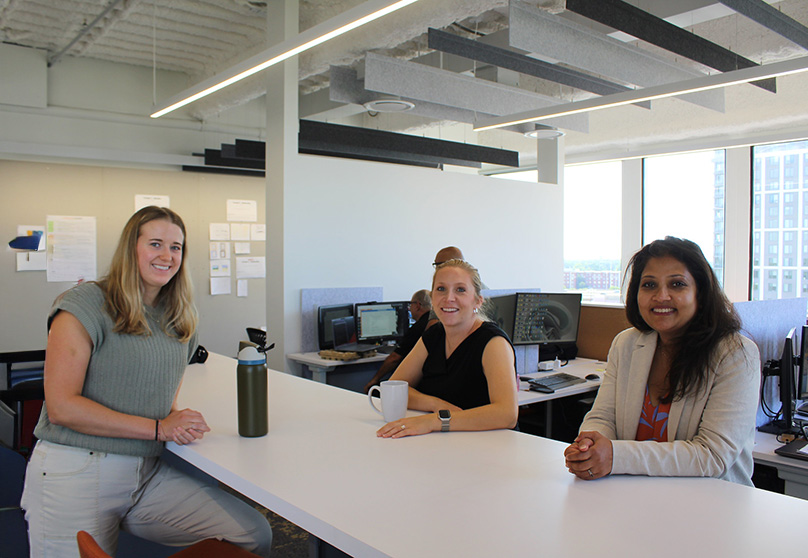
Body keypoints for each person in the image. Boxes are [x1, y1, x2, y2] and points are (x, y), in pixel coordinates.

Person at [21, 207, 273, 557]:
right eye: (155, 244)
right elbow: (62, 408)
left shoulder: (180, 317)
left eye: (176, 247)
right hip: (76, 469)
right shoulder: (85, 304)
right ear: (131, 248)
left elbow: (158, 394)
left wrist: (174, 419)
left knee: (251, 534)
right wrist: (159, 428)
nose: (167, 256)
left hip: (145, 473)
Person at [563, 237, 760, 485]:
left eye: (677, 284)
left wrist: (615, 456)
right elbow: (603, 417)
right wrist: (590, 445)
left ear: (700, 293)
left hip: (711, 500)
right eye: (649, 285)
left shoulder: (736, 354)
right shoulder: (627, 344)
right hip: (634, 494)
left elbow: (712, 455)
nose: (661, 296)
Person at [376, 259, 518, 437]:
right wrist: (436, 404)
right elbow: (394, 389)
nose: (449, 298)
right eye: (441, 289)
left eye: (460, 289)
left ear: (478, 301)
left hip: (488, 445)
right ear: (432, 298)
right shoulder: (434, 335)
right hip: (444, 443)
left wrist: (434, 421)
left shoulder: (493, 342)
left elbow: (507, 414)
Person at [363, 289, 432, 393]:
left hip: (416, 382)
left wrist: (374, 380)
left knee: (375, 389)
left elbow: (394, 358)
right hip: (428, 379)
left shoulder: (417, 328)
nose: (409, 308)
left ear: (418, 305)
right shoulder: (433, 323)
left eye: (410, 305)